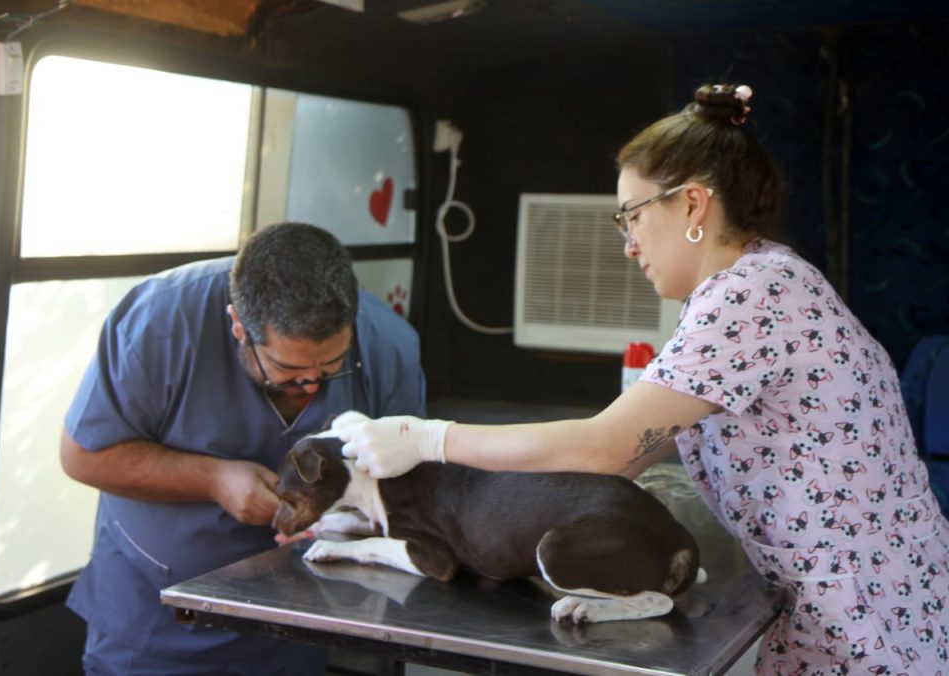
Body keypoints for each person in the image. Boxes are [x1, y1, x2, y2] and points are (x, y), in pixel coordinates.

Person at [335, 85, 949, 674]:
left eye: (630, 216)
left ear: (691, 204)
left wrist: (427, 437)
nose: (628, 245)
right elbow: (620, 459)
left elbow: (602, 444)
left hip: (868, 614)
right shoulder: (753, 285)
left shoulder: (752, 296)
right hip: (858, 596)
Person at [60, 222, 426, 675]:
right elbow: (83, 454)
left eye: (331, 365)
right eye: (287, 367)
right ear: (237, 324)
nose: (310, 383)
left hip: (294, 621)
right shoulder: (158, 322)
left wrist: (342, 523)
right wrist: (214, 479)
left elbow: (409, 486)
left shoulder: (390, 346)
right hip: (153, 619)